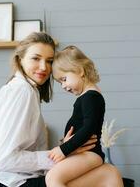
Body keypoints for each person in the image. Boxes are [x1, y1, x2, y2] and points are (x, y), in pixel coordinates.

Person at [0, 32, 123, 187]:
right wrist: (62, 152)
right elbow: (5, 160)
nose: (44, 67)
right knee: (108, 174)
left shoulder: (26, 89)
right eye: (36, 58)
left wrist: (65, 147)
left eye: (49, 61)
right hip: (9, 182)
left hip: (14, 178)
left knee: (109, 173)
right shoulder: (22, 91)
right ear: (20, 59)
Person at [45, 45, 110, 187]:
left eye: (64, 79)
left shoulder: (90, 97)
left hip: (90, 154)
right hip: (85, 153)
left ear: (80, 71)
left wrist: (63, 149)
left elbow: (88, 129)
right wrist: (65, 143)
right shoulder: (88, 97)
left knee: (52, 178)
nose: (63, 86)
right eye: (60, 82)